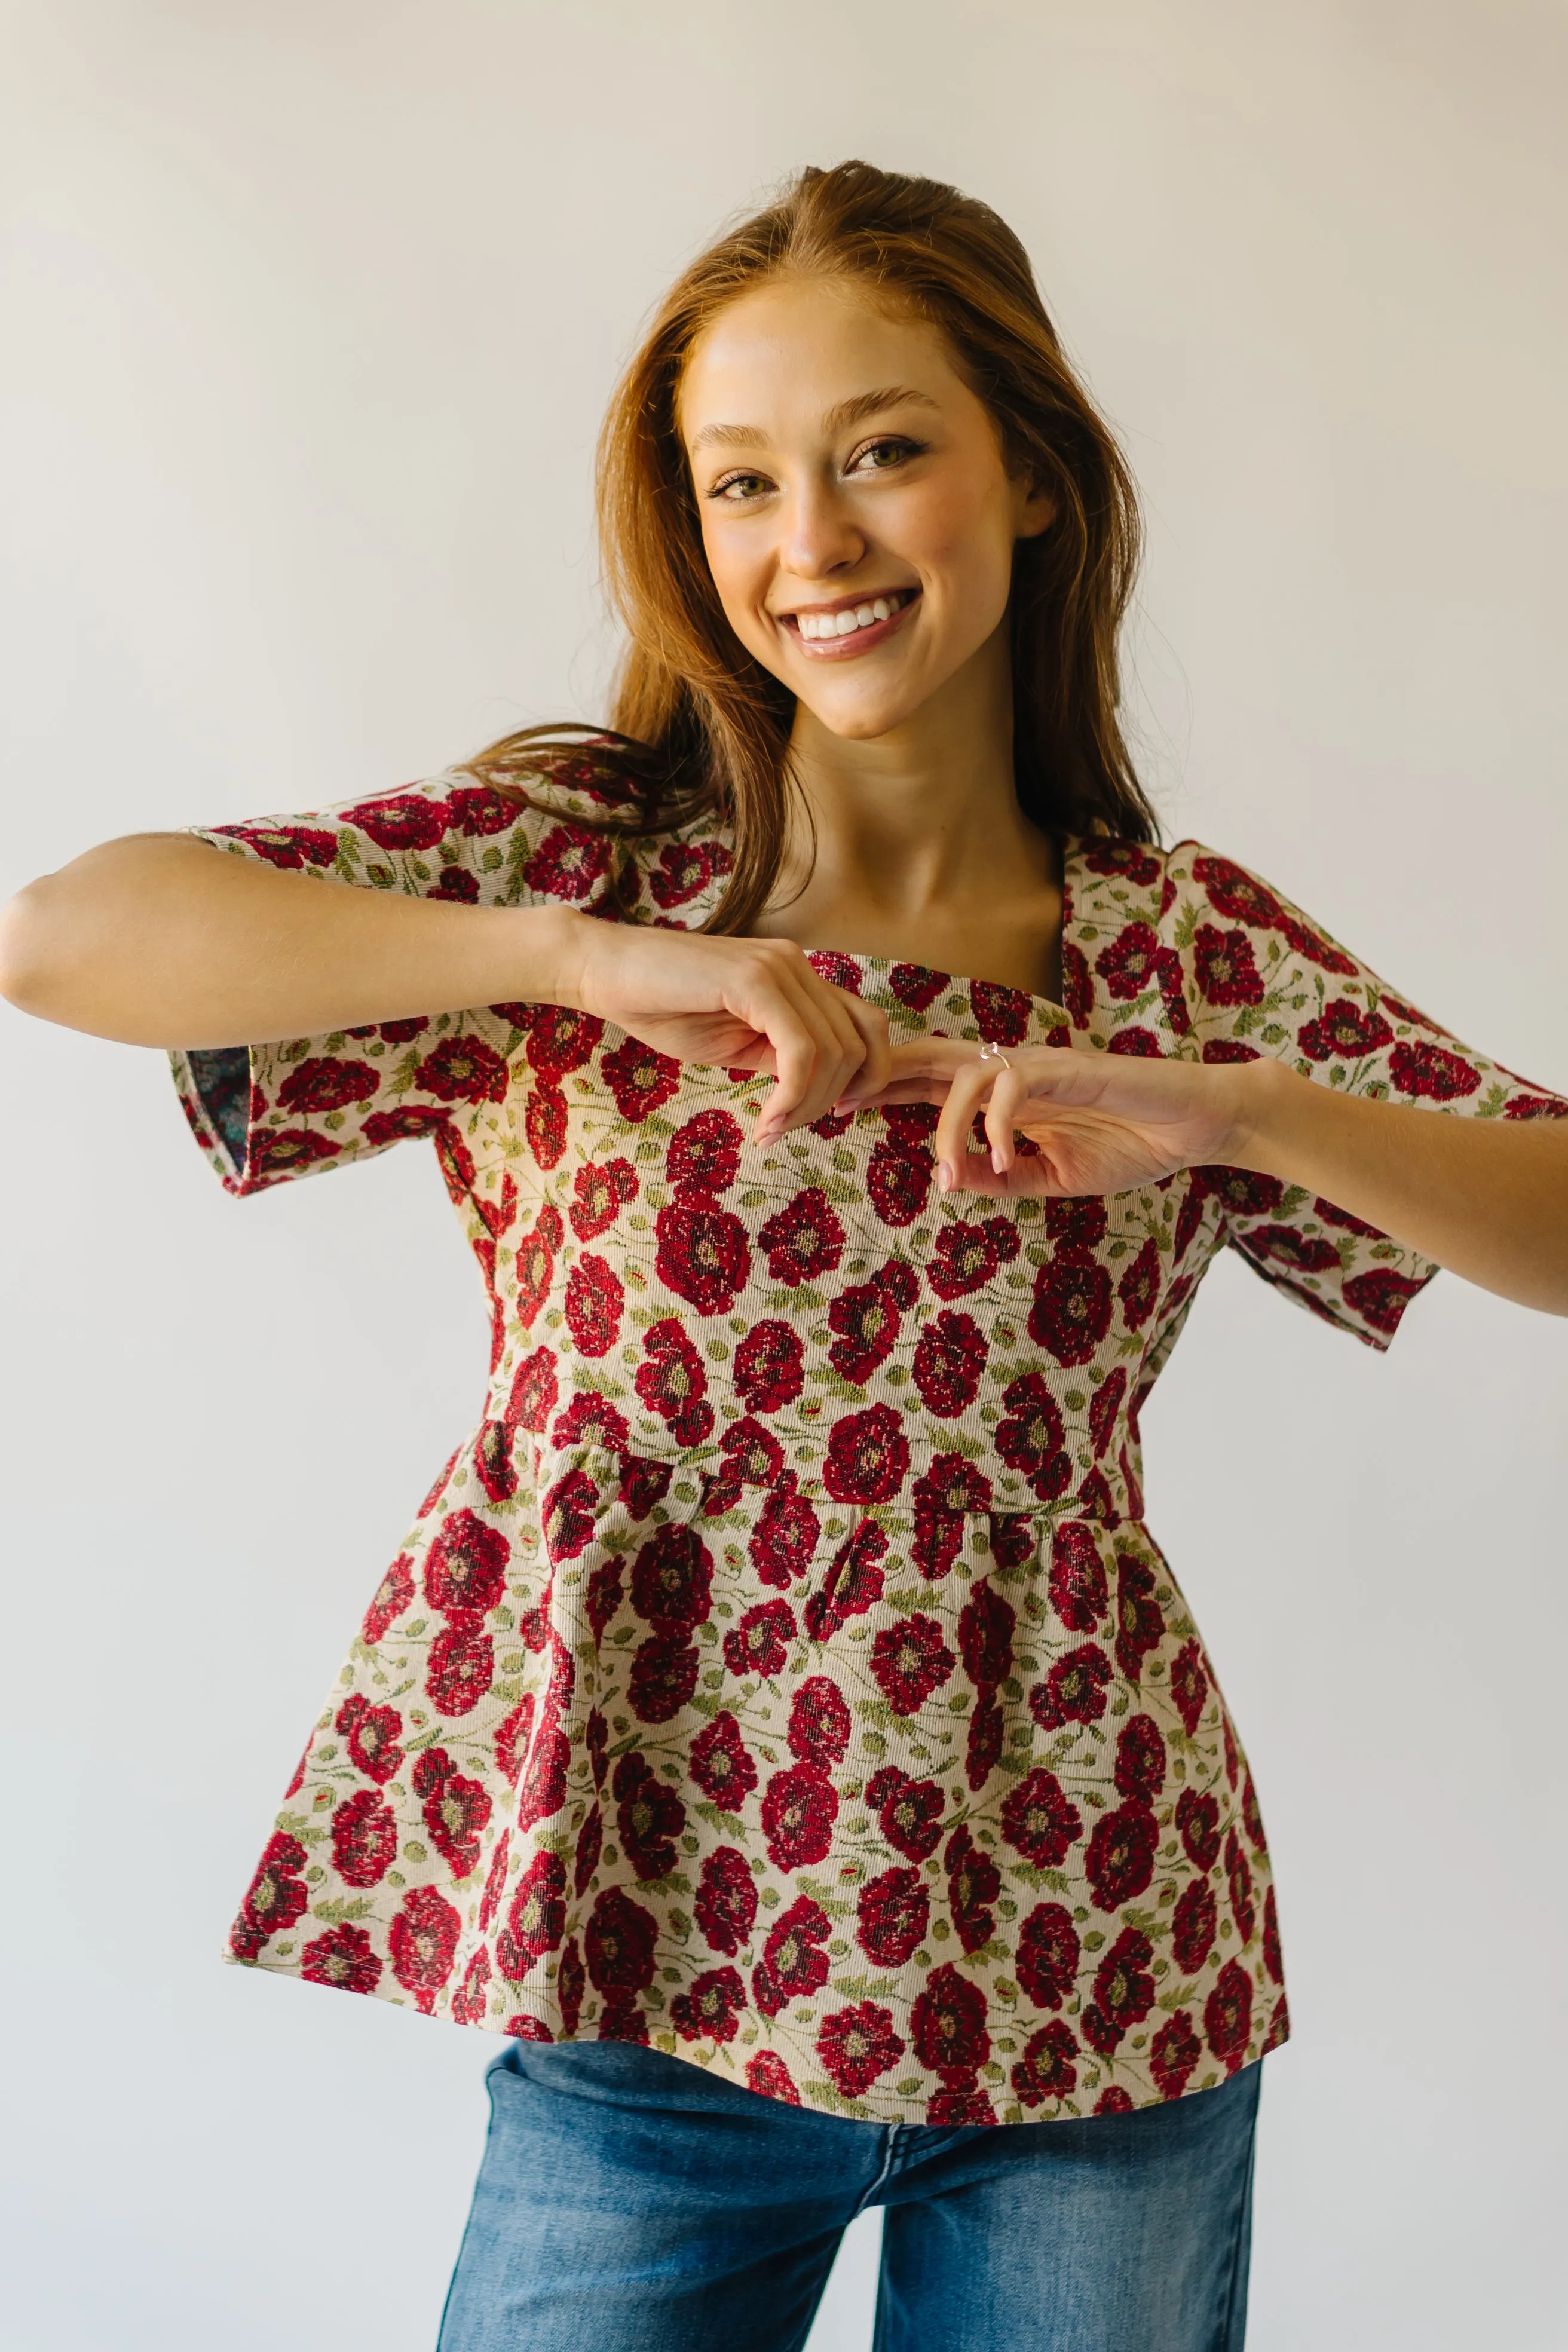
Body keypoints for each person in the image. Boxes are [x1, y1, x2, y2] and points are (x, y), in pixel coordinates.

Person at [2, 160, 1564, 2352]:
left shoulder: (1182, 949)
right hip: (645, 1979)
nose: (808, 544)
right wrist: (576, 958)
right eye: (740, 482)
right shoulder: (581, 887)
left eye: (882, 451)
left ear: (1029, 476)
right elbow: (63, 936)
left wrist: (1239, 1110)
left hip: (1095, 1978)